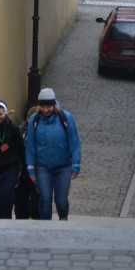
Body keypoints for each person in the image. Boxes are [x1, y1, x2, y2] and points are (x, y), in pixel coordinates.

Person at [25, 88, 81, 220]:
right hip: (42, 167)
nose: (46, 110)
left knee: (61, 200)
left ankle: (63, 218)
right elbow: (30, 145)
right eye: (43, 107)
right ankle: (46, 226)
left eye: (49, 107)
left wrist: (76, 164)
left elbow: (74, 142)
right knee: (45, 199)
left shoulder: (66, 118)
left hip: (63, 167)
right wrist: (30, 167)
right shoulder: (34, 120)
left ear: (54, 105)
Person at [13, 106, 40, 220]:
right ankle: (22, 219)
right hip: (21, 171)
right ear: (27, 118)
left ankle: (35, 218)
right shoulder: (20, 131)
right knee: (20, 201)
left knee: (36, 202)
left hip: (38, 170)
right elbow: (11, 146)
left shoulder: (42, 131)